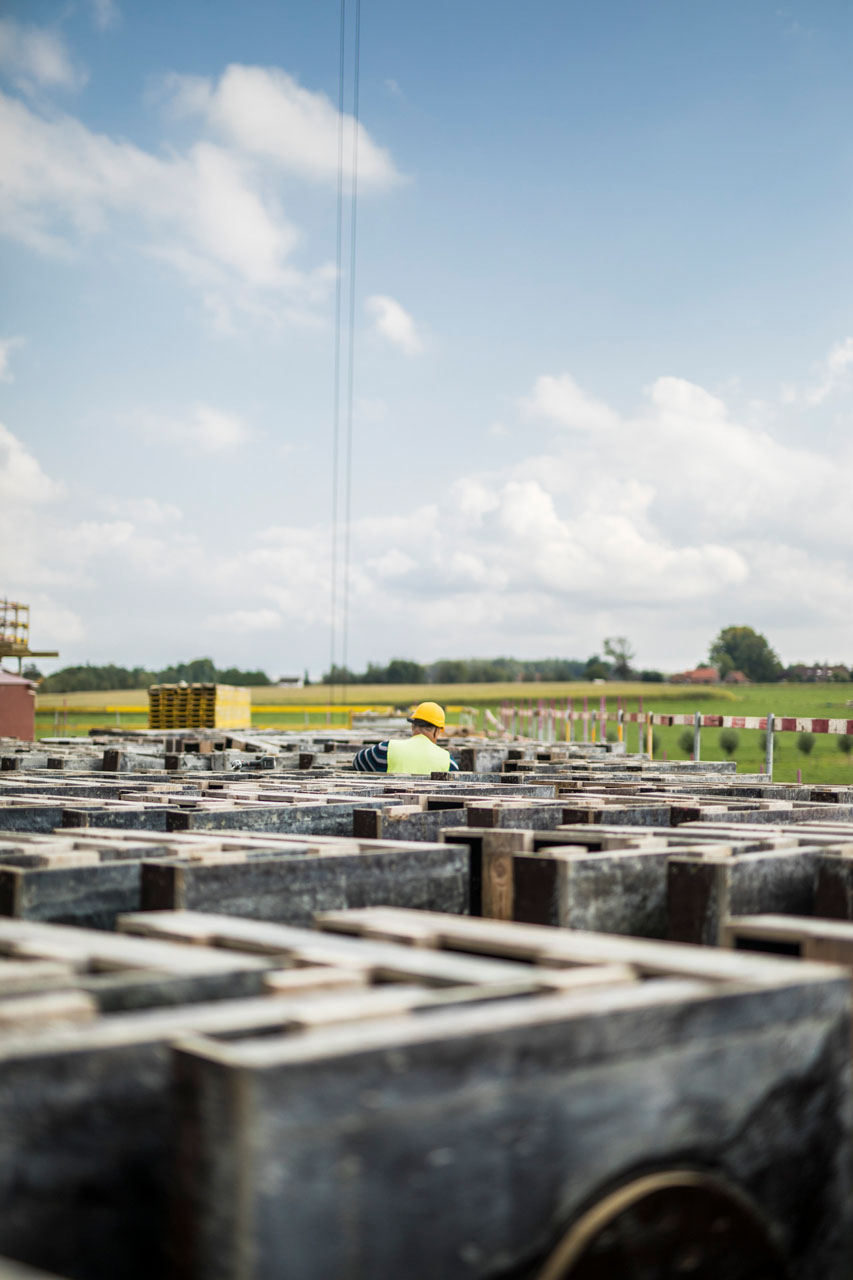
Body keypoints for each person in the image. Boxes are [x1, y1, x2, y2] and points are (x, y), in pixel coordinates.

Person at [352, 701, 459, 774]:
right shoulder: (449, 762)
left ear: (412, 726)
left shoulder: (385, 749)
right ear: (438, 730)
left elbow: (358, 762)